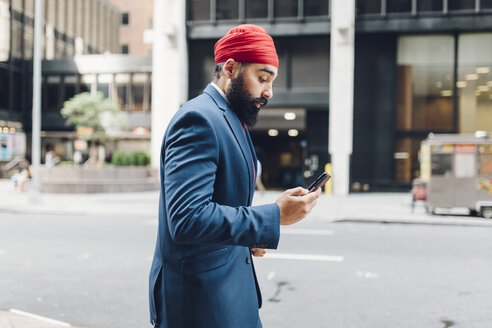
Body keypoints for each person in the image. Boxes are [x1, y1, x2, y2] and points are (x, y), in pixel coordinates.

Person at [149, 24, 321, 328]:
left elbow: (221, 203)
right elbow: (188, 219)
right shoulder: (198, 119)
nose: (269, 92)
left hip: (226, 290)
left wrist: (250, 234)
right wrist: (272, 217)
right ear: (230, 68)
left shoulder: (230, 117)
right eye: (263, 78)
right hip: (201, 303)